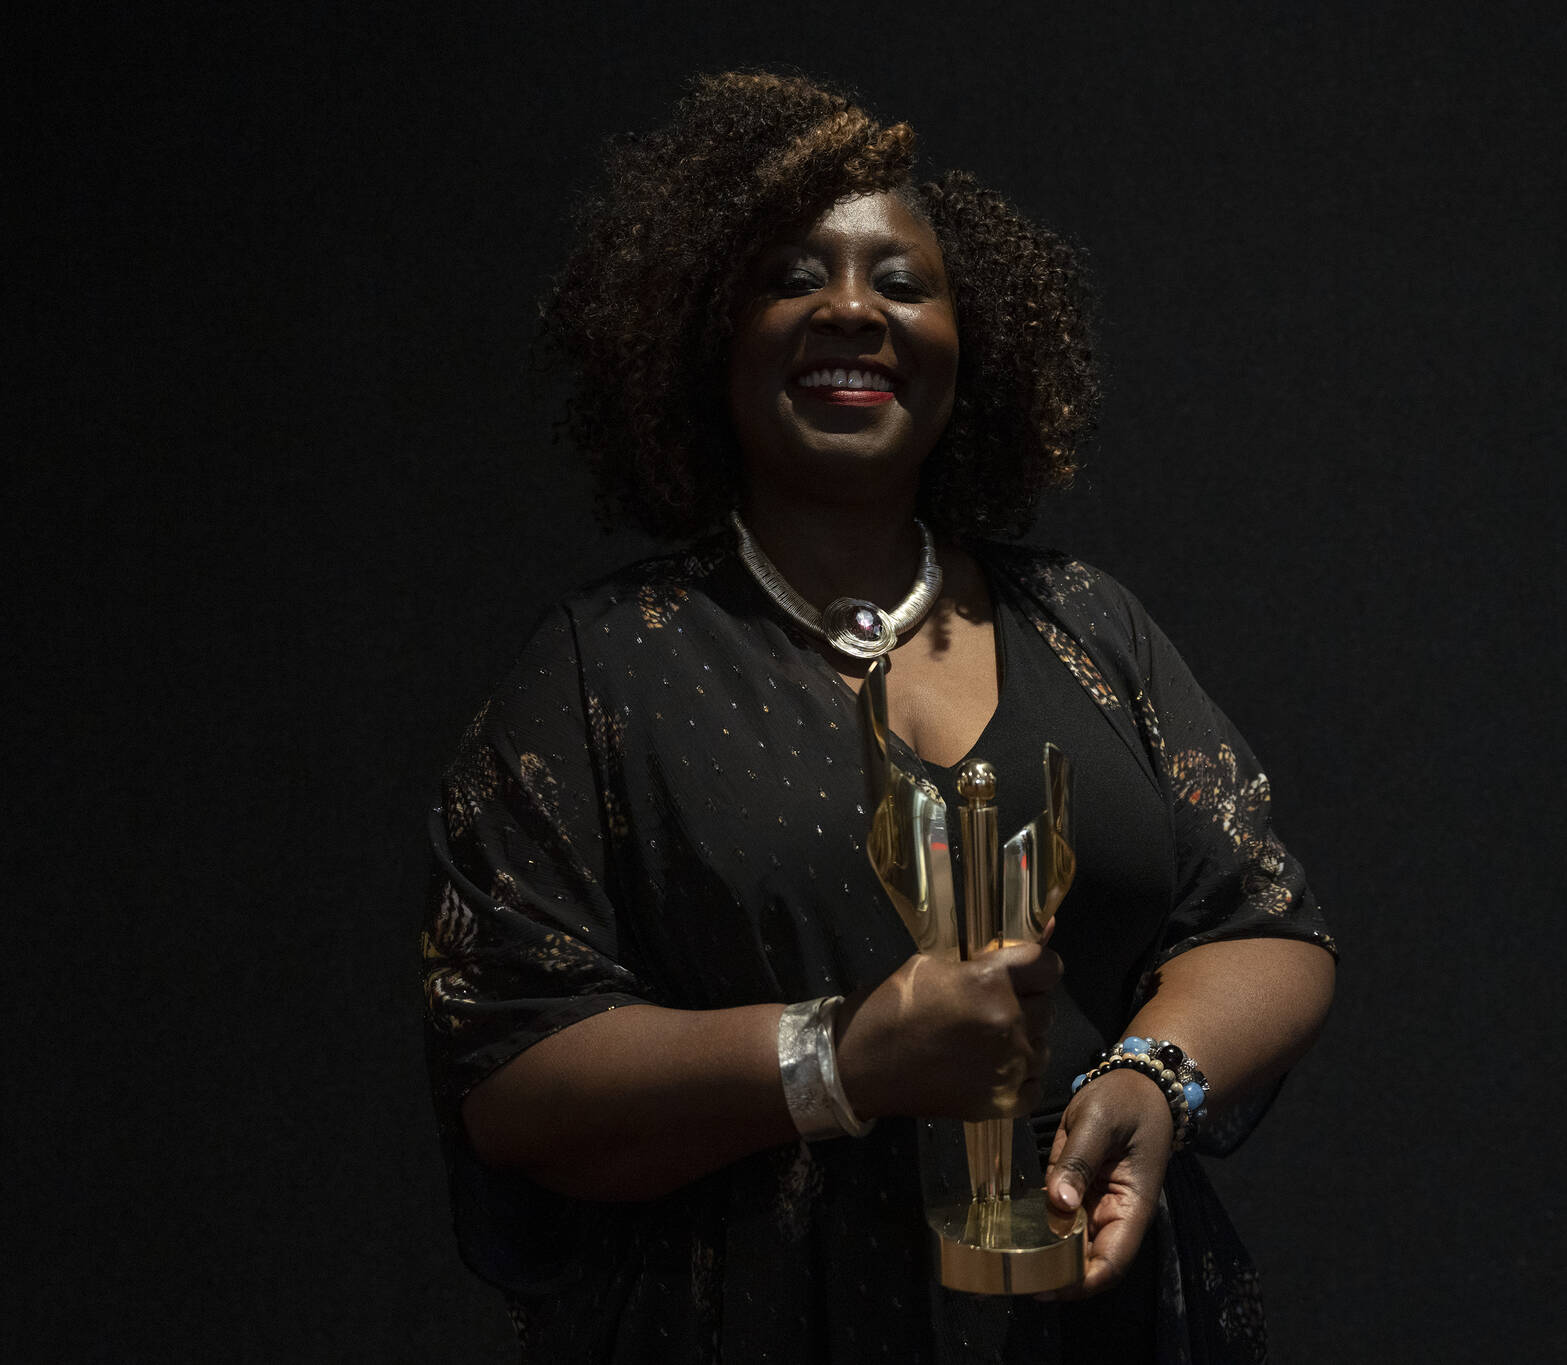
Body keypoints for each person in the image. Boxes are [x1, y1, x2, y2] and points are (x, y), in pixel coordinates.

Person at [422, 72, 1337, 1364]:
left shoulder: (1085, 626)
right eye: (796, 277)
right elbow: (511, 1072)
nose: (852, 309)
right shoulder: (602, 673)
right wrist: (837, 1063)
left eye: (900, 282)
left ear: (974, 343)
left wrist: (1154, 1077)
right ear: (705, 334)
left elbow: (1267, 922)